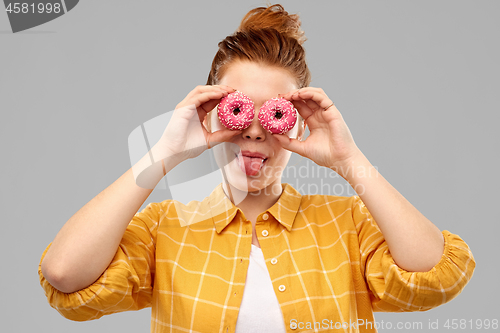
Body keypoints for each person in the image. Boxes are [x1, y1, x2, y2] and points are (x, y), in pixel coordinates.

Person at [39, 4, 475, 333]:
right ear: (210, 113)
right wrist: (164, 154)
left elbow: (437, 277)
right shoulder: (164, 229)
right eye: (236, 111)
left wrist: (350, 161)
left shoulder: (347, 225)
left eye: (275, 114)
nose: (253, 132)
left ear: (299, 121)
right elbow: (65, 277)